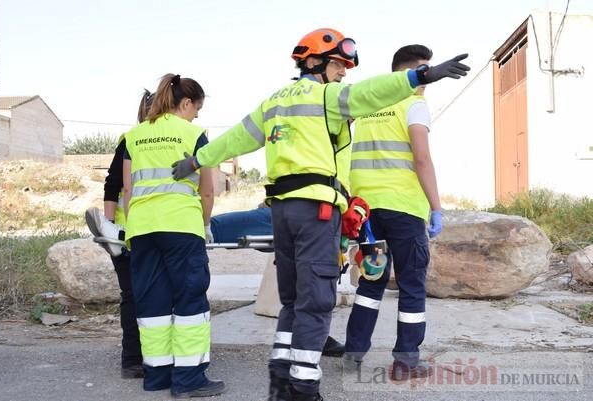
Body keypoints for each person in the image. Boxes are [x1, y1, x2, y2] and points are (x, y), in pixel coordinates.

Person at [171, 28, 469, 401]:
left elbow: (236, 138)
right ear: (314, 62)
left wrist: (198, 160)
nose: (344, 72)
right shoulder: (327, 96)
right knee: (317, 300)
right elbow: (371, 91)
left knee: (295, 299)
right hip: (319, 211)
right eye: (339, 64)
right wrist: (421, 76)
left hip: (284, 210)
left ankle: (282, 375)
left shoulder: (274, 102)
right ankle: (304, 388)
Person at [343, 45, 443, 381]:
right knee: (412, 285)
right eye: (424, 72)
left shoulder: (370, 105)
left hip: (366, 212)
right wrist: (437, 207)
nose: (427, 81)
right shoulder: (413, 103)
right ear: (410, 71)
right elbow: (422, 158)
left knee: (372, 282)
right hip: (403, 209)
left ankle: (353, 354)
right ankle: (406, 363)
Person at [122, 73, 223, 397]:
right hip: (180, 225)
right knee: (190, 299)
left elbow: (128, 188)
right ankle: (190, 379)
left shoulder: (134, 135)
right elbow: (207, 191)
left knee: (152, 302)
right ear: (185, 102)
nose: (197, 115)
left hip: (141, 228)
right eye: (197, 108)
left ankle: (157, 375)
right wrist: (204, 224)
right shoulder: (193, 134)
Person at [84, 89, 156, 379]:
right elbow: (113, 186)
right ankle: (135, 359)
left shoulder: (143, 138)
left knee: (136, 295)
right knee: (138, 295)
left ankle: (138, 359)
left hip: (141, 229)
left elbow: (112, 186)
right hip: (133, 232)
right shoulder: (132, 139)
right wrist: (111, 229)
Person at [210, 206, 346, 357]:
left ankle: (311, 338)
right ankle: (311, 339)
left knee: (302, 292)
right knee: (309, 293)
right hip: (301, 213)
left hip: (297, 212)